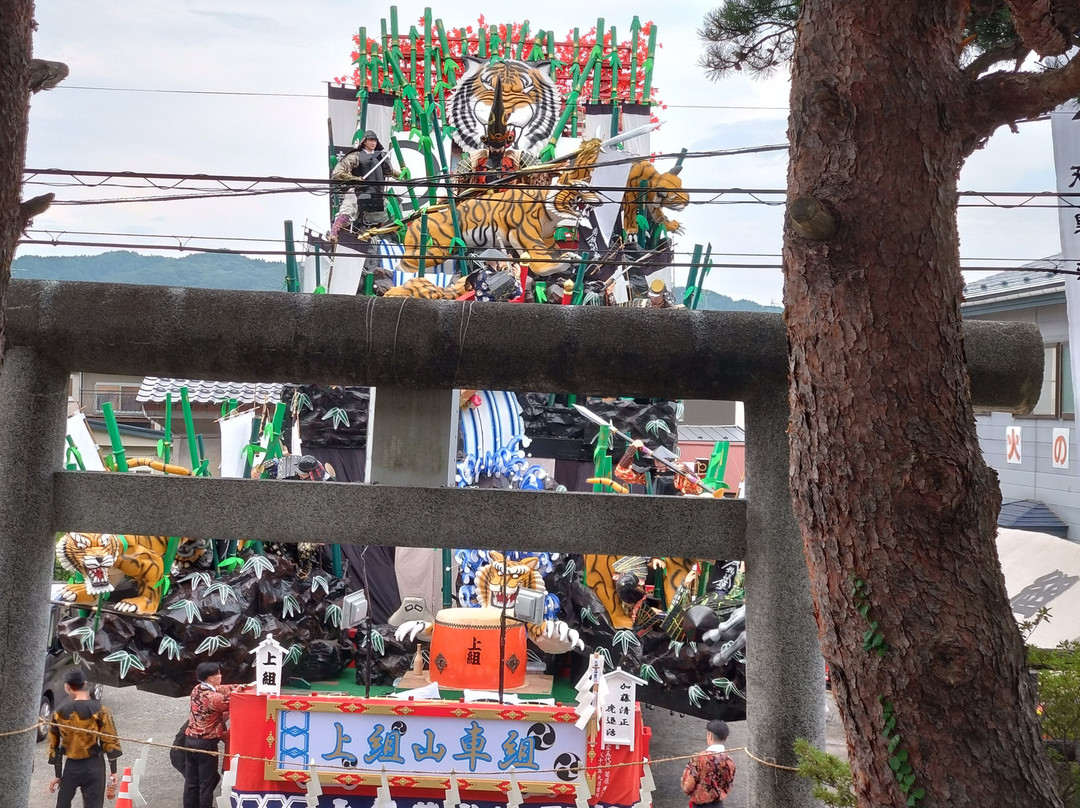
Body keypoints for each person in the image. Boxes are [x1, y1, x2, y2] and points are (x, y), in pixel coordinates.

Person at [46, 669, 122, 808]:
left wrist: (58, 774)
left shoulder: (58, 712)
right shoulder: (100, 709)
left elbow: (54, 745)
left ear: (67, 687)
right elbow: (110, 741)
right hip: (94, 765)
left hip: (72, 766)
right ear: (85, 684)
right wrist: (113, 772)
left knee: (63, 804)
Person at [184, 661, 251, 808]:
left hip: (189, 740)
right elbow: (234, 701)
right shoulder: (215, 698)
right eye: (218, 674)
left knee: (191, 781)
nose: (221, 676)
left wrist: (242, 686)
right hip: (205, 744)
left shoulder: (197, 689)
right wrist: (240, 691)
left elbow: (224, 688)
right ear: (211, 678)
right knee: (206, 783)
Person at [454, 77, 540, 189]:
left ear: (506, 143)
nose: (497, 150)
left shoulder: (517, 157)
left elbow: (539, 170)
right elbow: (458, 176)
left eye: (500, 147)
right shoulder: (475, 159)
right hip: (480, 203)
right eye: (494, 147)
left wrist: (551, 169)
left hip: (510, 203)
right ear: (488, 144)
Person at [329, 130, 400, 241]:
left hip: (377, 192)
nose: (373, 143)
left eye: (375, 140)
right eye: (370, 140)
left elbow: (390, 171)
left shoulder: (380, 157)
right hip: (358, 190)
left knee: (395, 206)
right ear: (364, 141)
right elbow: (338, 173)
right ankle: (334, 233)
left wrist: (403, 176)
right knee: (349, 208)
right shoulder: (355, 156)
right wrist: (355, 179)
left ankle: (387, 234)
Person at [681, 719, 736, 808]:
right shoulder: (730, 762)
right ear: (726, 738)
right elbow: (728, 786)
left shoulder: (698, 759)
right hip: (718, 805)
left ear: (709, 735)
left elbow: (687, 786)